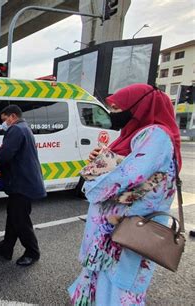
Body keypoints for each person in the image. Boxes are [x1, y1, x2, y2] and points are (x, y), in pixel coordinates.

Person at [68, 84, 182, 305]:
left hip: (130, 229)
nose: (114, 113)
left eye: (118, 108)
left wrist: (92, 182)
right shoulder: (140, 134)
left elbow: (128, 176)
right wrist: (102, 159)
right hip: (121, 229)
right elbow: (130, 167)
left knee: (119, 284)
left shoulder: (155, 134)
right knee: (108, 281)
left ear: (139, 107)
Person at [0, 105, 47, 266]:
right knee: (13, 215)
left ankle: (32, 252)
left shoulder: (16, 130)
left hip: (22, 183)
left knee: (20, 220)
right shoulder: (24, 128)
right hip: (23, 182)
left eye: (4, 120)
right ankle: (6, 248)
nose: (3, 124)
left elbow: (5, 156)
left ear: (12, 116)